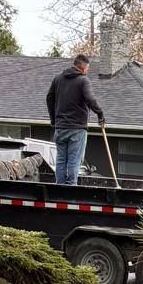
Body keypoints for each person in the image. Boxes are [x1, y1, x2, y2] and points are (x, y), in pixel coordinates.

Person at [46, 53, 106, 186]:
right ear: (83, 68)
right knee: (74, 160)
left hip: (60, 128)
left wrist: (53, 120)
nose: (87, 72)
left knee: (61, 160)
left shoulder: (58, 79)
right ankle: (71, 188)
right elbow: (90, 99)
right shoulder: (83, 80)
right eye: (87, 69)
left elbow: (49, 98)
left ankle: (60, 188)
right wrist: (100, 113)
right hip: (77, 129)